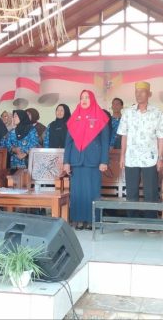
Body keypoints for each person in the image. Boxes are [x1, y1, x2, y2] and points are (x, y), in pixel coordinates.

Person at [117, 81, 163, 228]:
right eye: (137, 92)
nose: (139, 94)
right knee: (131, 191)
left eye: (142, 92)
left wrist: (160, 158)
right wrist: (122, 156)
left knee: (150, 192)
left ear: (149, 94)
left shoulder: (157, 113)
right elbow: (124, 135)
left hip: (150, 158)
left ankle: (151, 223)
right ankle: (131, 222)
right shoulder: (128, 113)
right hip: (131, 158)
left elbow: (161, 137)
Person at [63, 90, 109, 230]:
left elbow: (105, 141)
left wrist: (104, 161)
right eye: (82, 97)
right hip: (76, 161)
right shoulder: (74, 117)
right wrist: (66, 162)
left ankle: (92, 220)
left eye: (87, 97)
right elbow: (68, 142)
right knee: (77, 192)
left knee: (92, 191)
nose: (84, 100)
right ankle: (77, 219)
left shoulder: (101, 117)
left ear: (93, 99)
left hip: (93, 161)